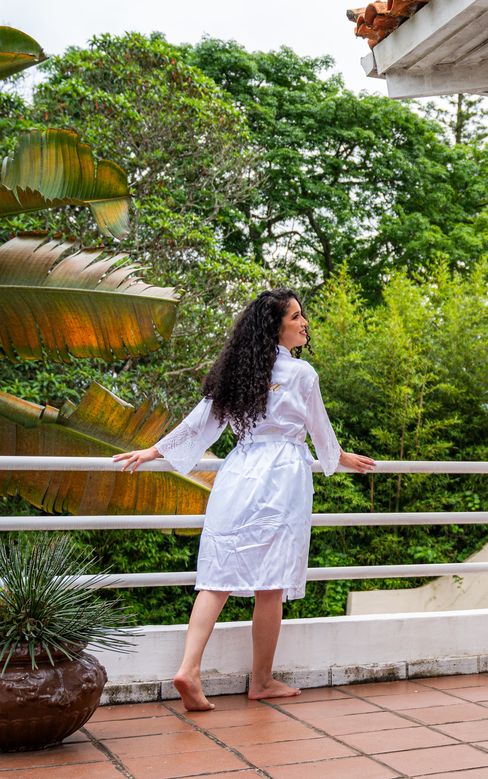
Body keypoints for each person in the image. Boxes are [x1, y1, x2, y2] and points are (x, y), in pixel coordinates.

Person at [114, 289, 375, 711]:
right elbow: (319, 431)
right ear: (277, 327)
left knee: (216, 575)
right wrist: (339, 458)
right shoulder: (302, 373)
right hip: (282, 477)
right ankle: (262, 680)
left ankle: (189, 668)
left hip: (238, 472)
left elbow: (201, 424)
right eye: (296, 316)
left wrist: (152, 451)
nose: (304, 322)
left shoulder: (236, 371)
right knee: (269, 585)